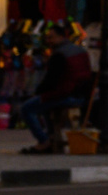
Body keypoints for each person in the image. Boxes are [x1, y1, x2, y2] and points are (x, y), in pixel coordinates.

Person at [15, 26, 90, 154]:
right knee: (44, 104)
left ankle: (44, 141)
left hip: (65, 94)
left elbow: (51, 80)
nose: (48, 41)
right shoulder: (80, 50)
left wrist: (37, 92)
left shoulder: (59, 54)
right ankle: (51, 136)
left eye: (51, 37)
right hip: (80, 94)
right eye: (47, 38)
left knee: (26, 109)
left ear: (61, 37)